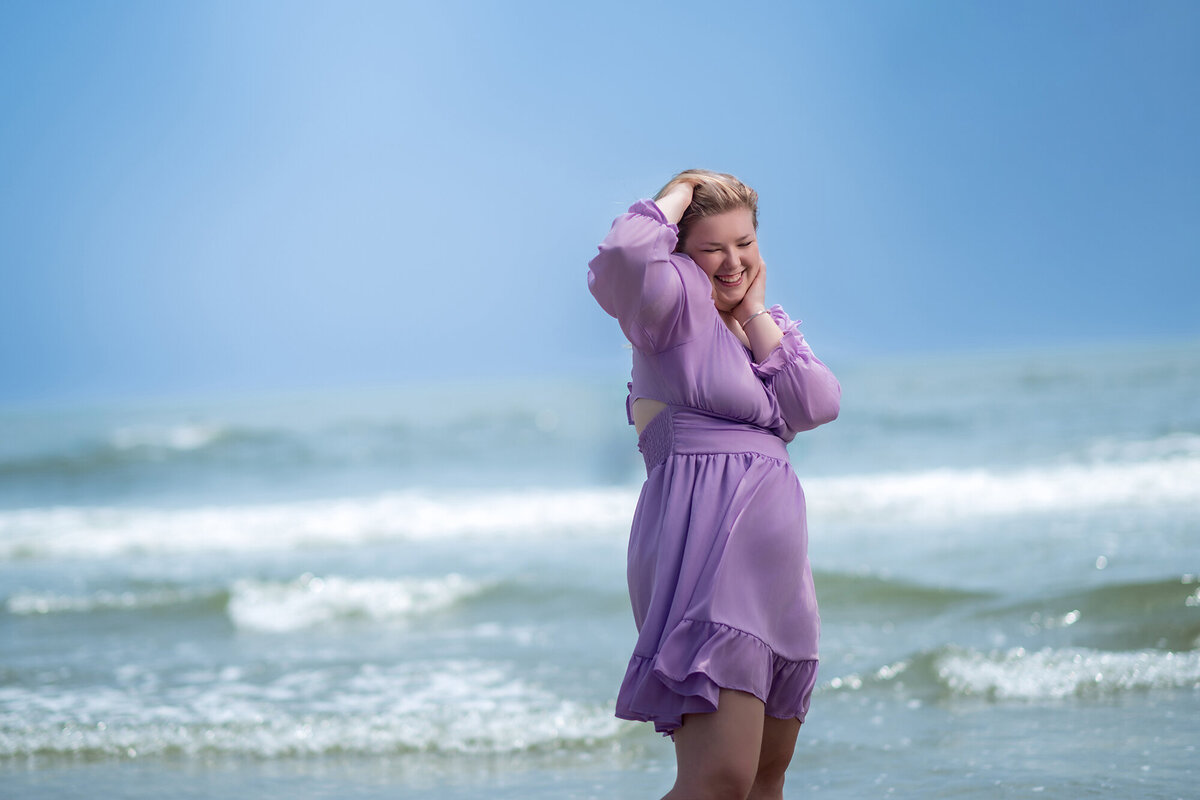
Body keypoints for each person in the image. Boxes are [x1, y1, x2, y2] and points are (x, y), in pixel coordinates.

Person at [587, 169, 841, 800]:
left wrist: (755, 311)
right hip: (708, 564)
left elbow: (816, 403)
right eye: (712, 247)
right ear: (679, 252)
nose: (732, 261)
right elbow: (622, 256)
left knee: (764, 778)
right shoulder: (670, 310)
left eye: (745, 243)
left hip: (778, 585)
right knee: (719, 782)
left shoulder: (761, 330)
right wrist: (675, 194)